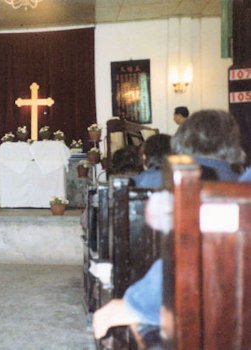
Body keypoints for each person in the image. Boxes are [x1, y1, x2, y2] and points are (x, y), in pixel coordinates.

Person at [93, 109, 244, 340]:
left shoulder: (174, 185)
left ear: (183, 140)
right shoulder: (241, 183)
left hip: (178, 303)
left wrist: (135, 303)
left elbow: (188, 258)